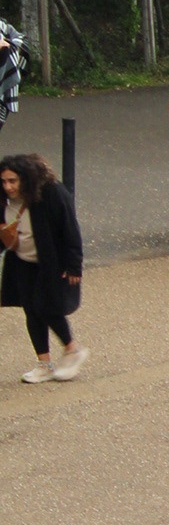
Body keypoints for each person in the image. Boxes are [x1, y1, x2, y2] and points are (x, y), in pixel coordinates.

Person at [0, 153, 85, 383]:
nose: (8, 187)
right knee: (31, 309)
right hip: (21, 261)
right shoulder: (3, 198)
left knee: (47, 307)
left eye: (12, 181)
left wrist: (74, 265)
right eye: (4, 181)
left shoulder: (51, 193)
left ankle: (72, 349)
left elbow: (70, 229)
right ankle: (44, 364)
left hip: (50, 262)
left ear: (25, 179)